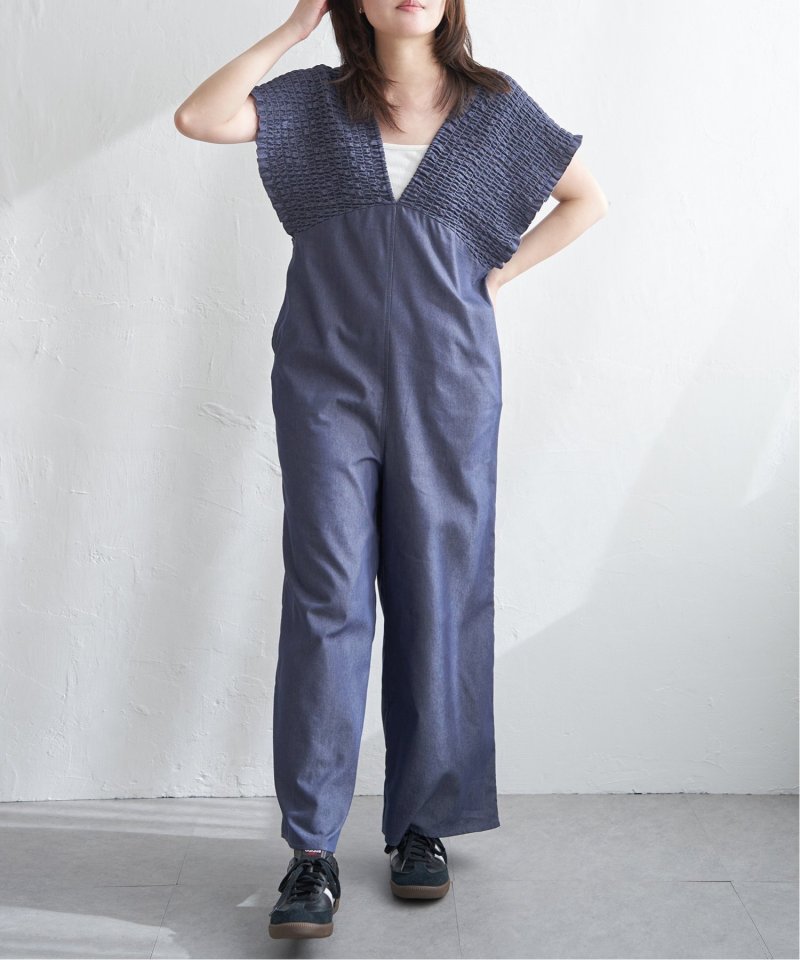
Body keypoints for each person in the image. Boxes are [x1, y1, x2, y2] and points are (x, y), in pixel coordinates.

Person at [175, 0, 608, 941]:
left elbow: (588, 200)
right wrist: (292, 28)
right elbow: (200, 118)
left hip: (451, 382)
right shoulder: (313, 104)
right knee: (326, 598)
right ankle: (311, 849)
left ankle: (423, 824)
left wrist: (500, 274)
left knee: (440, 592)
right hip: (324, 381)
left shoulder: (494, 110)